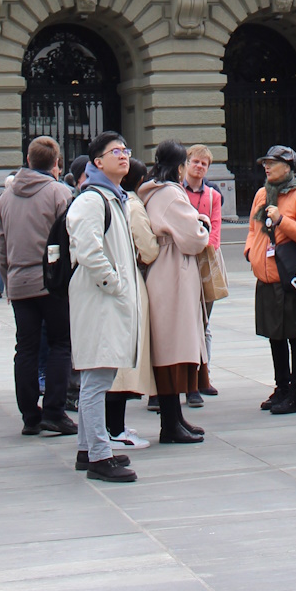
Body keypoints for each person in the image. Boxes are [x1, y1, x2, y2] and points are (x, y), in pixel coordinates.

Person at [67, 130, 142, 481]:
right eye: (115, 151)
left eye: (125, 150)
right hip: (99, 300)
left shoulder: (113, 197)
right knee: (96, 378)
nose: (124, 155)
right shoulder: (92, 199)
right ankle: (99, 455)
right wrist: (114, 284)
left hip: (106, 299)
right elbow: (89, 251)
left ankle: (87, 448)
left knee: (100, 375)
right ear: (97, 162)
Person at [0, 136, 76, 436]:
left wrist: (7, 275)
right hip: (51, 283)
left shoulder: (5, 197)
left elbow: (0, 244)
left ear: (28, 160)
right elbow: (68, 241)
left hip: (18, 281)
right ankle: (54, 411)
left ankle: (29, 415)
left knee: (25, 349)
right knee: (60, 344)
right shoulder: (59, 193)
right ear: (56, 163)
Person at [137, 141, 211, 444]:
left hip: (167, 272)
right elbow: (193, 239)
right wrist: (202, 225)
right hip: (173, 274)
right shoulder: (169, 194)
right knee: (173, 349)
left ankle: (176, 419)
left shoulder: (153, 192)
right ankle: (171, 423)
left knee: (171, 346)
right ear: (179, 166)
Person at [244, 145, 296, 414]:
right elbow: (254, 228)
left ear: (287, 167)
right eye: (265, 162)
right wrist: (250, 252)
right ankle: (282, 387)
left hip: (288, 278)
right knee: (275, 336)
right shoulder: (262, 194)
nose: (266, 167)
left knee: (295, 336)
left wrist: (282, 220)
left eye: (272, 163)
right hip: (266, 278)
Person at [105, 158, 157, 452]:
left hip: (114, 284)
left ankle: (113, 427)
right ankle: (115, 429)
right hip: (129, 283)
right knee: (123, 365)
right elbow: (148, 249)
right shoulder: (132, 205)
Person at [183, 143, 223, 402]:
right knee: (187, 323)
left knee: (205, 322)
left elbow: (216, 227)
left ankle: (203, 375)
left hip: (205, 260)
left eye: (204, 164)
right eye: (195, 162)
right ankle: (190, 380)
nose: (199, 167)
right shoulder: (176, 191)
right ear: (186, 163)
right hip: (183, 259)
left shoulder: (212, 195)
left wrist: (207, 246)